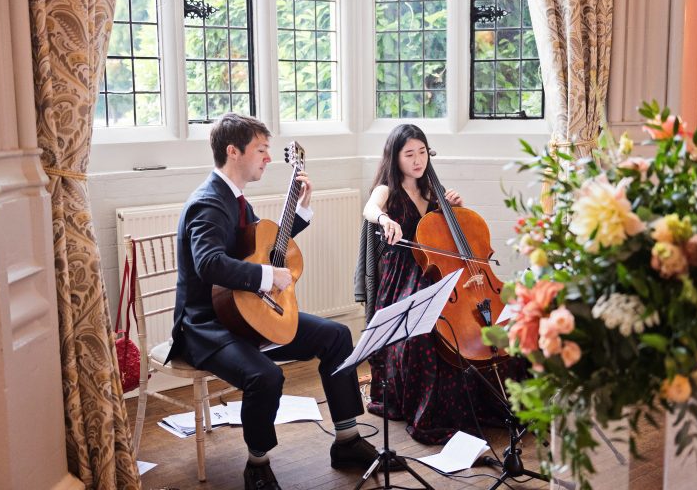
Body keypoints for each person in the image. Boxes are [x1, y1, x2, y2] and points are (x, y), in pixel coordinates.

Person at [166, 113, 400, 490]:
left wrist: (301, 211)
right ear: (233, 151)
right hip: (208, 327)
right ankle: (256, 464)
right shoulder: (209, 203)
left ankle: (346, 440)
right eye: (261, 149)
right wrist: (266, 277)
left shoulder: (236, 200)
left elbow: (262, 250)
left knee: (337, 336)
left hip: (247, 317)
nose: (268, 158)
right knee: (266, 376)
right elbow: (209, 263)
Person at [356, 123, 513, 445]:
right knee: (425, 331)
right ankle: (433, 412)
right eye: (409, 154)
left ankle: (494, 403)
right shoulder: (388, 189)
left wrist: (452, 207)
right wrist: (384, 218)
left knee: (502, 320)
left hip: (440, 271)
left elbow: (450, 237)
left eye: (422, 153)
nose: (417, 161)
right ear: (395, 158)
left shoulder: (432, 190)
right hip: (403, 273)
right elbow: (369, 208)